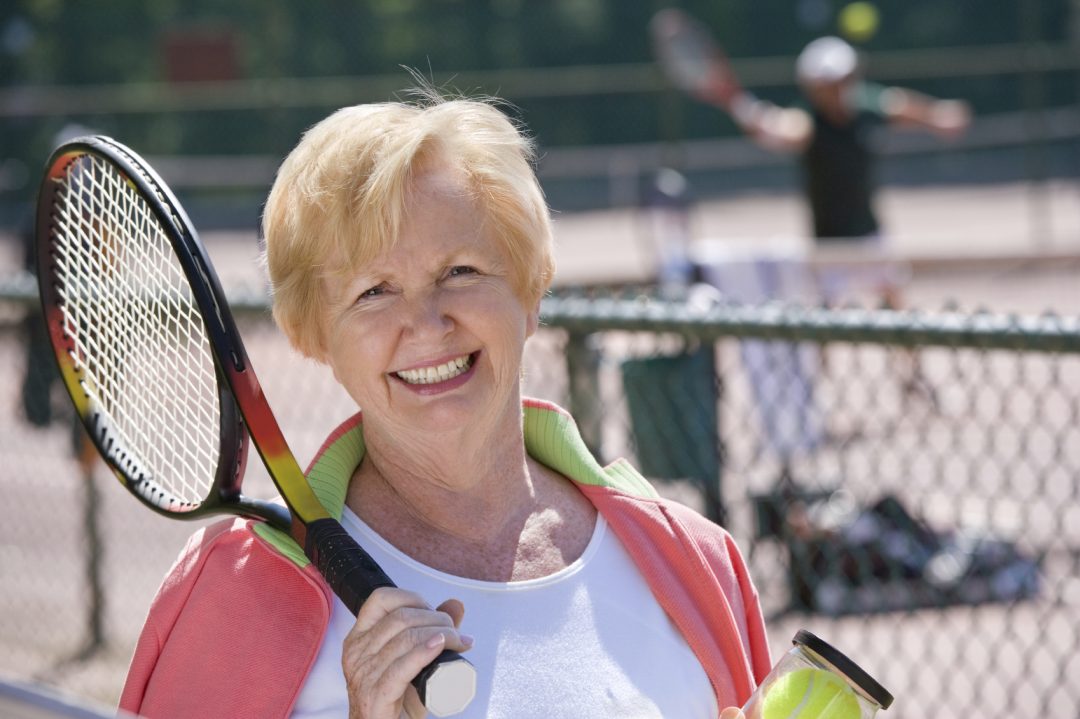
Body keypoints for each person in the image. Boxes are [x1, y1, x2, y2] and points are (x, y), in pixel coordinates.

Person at [119, 90, 772, 718]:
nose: (426, 323)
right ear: (316, 333)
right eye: (374, 290)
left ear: (530, 290)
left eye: (460, 271)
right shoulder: (231, 595)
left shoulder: (696, 564)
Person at [707, 35, 971, 305]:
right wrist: (744, 110)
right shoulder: (808, 121)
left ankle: (909, 349)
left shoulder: (865, 106)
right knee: (826, 319)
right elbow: (780, 130)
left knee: (896, 304)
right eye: (830, 83)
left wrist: (937, 116)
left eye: (844, 79)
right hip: (829, 243)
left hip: (869, 234)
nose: (839, 87)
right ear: (813, 88)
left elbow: (900, 105)